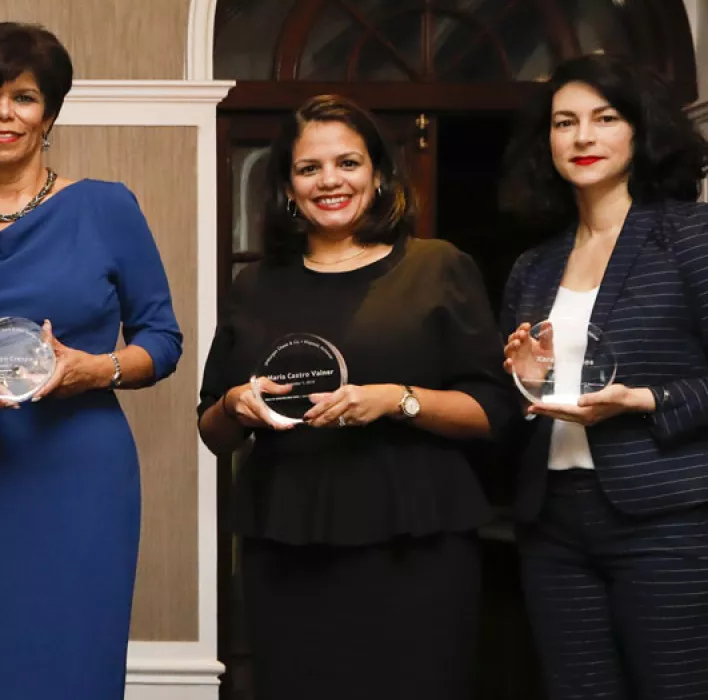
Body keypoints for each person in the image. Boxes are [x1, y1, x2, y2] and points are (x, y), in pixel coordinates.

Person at [0, 23, 182, 698]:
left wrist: (92, 368)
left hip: (80, 471)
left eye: (24, 96)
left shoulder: (107, 207)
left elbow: (162, 341)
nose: (5, 113)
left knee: (74, 662)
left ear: (50, 112)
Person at [195, 95, 514, 700]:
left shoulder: (437, 266)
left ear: (378, 174)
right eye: (309, 168)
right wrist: (236, 403)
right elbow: (213, 431)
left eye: (348, 163)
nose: (330, 181)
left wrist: (397, 399)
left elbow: (492, 412)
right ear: (288, 186)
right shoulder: (255, 285)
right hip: (287, 542)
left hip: (417, 543)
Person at [497, 53, 708, 700]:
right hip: (554, 525)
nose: (584, 137)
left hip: (670, 521)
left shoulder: (693, 237)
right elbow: (526, 406)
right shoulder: (533, 267)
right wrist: (526, 380)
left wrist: (646, 400)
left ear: (640, 129)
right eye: (565, 123)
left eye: (605, 117)